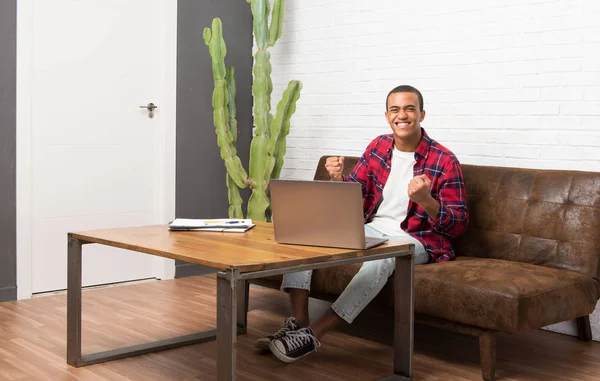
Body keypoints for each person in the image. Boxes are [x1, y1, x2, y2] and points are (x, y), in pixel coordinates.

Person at [257, 85, 469, 363]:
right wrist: (336, 179)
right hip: (372, 227)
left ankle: (313, 335)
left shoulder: (444, 160)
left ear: (422, 114)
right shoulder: (379, 146)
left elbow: (458, 226)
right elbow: (355, 192)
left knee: (380, 260)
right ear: (387, 115)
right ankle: (297, 322)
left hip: (416, 239)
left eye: (409, 109)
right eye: (395, 109)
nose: (402, 115)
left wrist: (426, 200)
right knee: (307, 236)